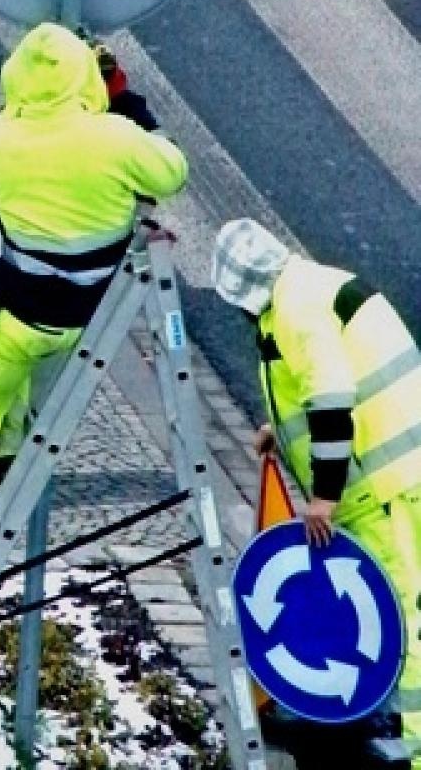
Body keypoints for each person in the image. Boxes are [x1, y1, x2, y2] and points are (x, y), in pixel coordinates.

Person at [0, 22, 188, 587]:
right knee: (18, 401)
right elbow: (170, 170)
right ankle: (6, 472)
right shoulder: (114, 141)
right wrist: (119, 98)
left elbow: (25, 129)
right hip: (87, 320)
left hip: (16, 317)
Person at [211, 218, 421, 769]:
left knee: (403, 613)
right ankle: (386, 718)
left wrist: (323, 498)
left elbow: (330, 398)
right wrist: (277, 431)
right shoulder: (309, 285)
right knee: (394, 606)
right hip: (400, 470)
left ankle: (413, 746)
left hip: (385, 484)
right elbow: (316, 385)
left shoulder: (295, 311)